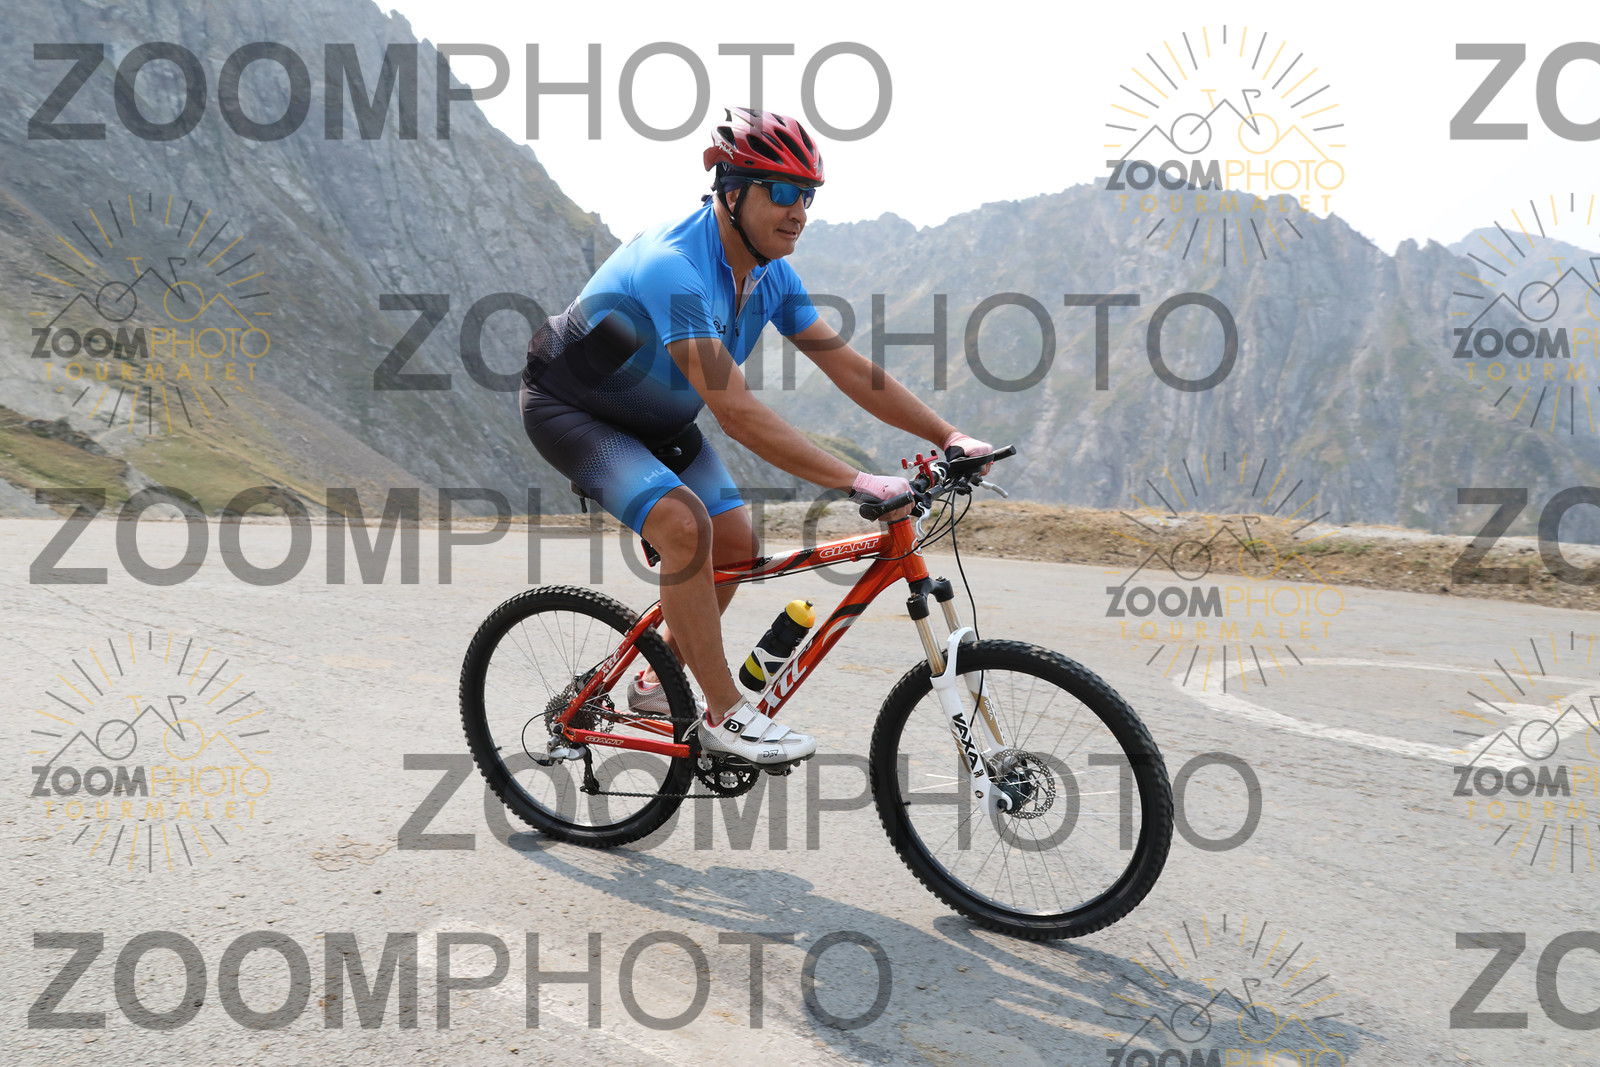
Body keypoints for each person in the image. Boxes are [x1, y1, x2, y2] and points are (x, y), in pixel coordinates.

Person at [519, 106, 991, 767]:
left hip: (659, 421)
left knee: (737, 545)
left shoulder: (770, 274)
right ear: (732, 192)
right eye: (784, 192)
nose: (799, 212)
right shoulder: (673, 267)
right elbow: (737, 414)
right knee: (685, 527)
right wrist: (857, 480)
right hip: (573, 410)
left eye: (809, 196)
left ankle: (657, 678)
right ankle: (725, 715)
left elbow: (847, 367)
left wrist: (949, 434)